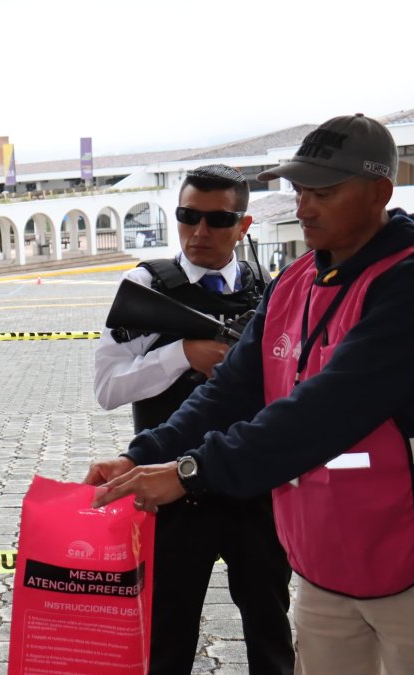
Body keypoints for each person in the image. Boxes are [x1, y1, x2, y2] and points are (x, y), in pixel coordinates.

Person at [89, 113, 414, 674]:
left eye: (324, 192)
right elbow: (234, 391)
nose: (303, 207)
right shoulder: (297, 281)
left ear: (378, 193)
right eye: (298, 190)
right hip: (322, 555)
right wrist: (140, 456)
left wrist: (190, 471)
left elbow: (326, 409)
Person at [93, 164, 292, 675]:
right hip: (168, 488)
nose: (199, 232)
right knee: (167, 633)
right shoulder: (147, 287)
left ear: (244, 226)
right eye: (187, 216)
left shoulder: (266, 289)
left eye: (217, 220)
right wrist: (183, 353)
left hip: (253, 486)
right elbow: (108, 388)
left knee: (270, 626)